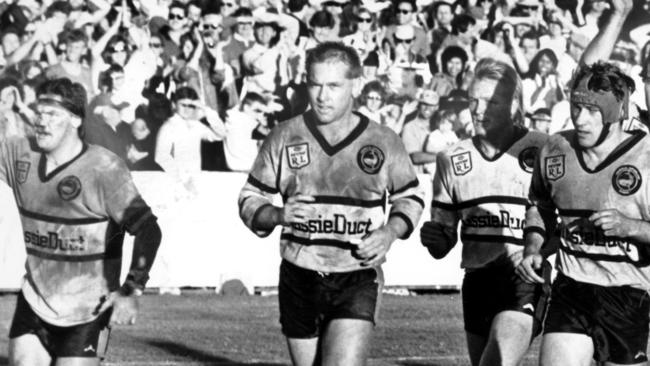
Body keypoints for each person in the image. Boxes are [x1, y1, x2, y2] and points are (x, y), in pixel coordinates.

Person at [238, 41, 424, 366]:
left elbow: (409, 197)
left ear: (357, 84)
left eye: (334, 86)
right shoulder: (284, 136)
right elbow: (250, 199)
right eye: (315, 84)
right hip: (299, 273)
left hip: (356, 273)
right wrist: (278, 214)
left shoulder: (382, 141)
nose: (323, 96)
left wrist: (389, 233)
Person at [516, 1, 650, 365]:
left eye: (593, 111)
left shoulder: (645, 152)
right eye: (577, 108)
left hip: (629, 292)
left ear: (617, 114)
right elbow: (540, 207)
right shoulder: (556, 149)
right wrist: (534, 247)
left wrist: (632, 226)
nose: (581, 119)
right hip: (572, 287)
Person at [1, 77, 161, 365]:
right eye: (39, 112)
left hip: (90, 310)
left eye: (53, 114)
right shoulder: (18, 153)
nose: (41, 121)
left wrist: (131, 289)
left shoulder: (104, 169)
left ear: (75, 120)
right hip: (35, 300)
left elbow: (149, 230)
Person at [419, 57, 549, 366]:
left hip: (525, 277)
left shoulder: (542, 148)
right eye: (473, 100)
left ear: (514, 104)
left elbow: (564, 217)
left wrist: (540, 250)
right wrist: (435, 236)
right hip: (477, 281)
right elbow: (443, 243)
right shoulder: (451, 158)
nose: (478, 110)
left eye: (491, 101)